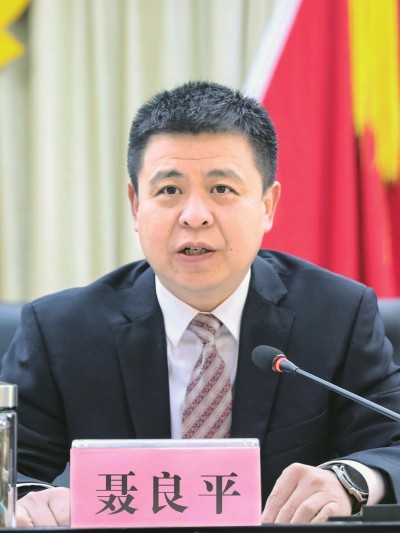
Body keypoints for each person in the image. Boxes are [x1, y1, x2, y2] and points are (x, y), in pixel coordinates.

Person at [1, 81, 400, 526]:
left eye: (222, 189)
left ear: (267, 205)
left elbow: (393, 440)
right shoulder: (61, 331)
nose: (195, 215)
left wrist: (351, 479)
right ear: (135, 206)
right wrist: (30, 497)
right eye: (169, 190)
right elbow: (11, 464)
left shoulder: (336, 316)